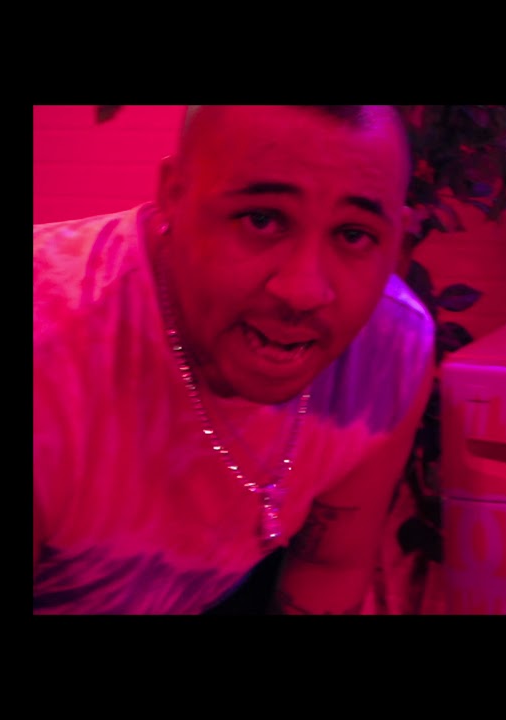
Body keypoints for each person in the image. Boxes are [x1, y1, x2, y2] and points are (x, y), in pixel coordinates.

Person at [33, 105, 436, 614]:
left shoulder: (389, 346)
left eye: (353, 234)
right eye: (262, 219)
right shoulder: (51, 345)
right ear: (173, 195)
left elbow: (330, 566)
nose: (304, 291)